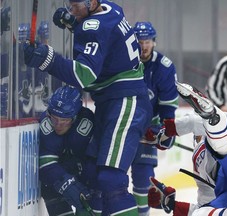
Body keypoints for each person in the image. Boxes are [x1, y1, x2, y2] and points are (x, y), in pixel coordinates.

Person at [23, 0, 152, 215]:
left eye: (76, 5)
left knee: (111, 180)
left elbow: (83, 75)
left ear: (92, 3)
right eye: (69, 3)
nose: (71, 8)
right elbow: (105, 38)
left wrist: (47, 59)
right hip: (112, 101)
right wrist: (73, 22)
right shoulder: (111, 8)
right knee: (95, 180)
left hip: (125, 101)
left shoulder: (93, 27)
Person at [147, 81, 227, 216]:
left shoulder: (217, 128)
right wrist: (172, 204)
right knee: (201, 213)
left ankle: (212, 116)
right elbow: (207, 207)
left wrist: (169, 129)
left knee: (225, 146)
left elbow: (192, 121)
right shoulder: (197, 162)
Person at [132, 21, 178, 215]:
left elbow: (168, 107)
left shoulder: (164, 67)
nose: (144, 45)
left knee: (144, 179)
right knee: (109, 179)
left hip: (148, 129)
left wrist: (167, 131)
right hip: (119, 126)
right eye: (139, 41)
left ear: (154, 42)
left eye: (148, 41)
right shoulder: (121, 62)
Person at [39, 85, 96, 216]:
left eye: (64, 120)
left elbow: (95, 161)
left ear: (75, 117)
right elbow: (47, 165)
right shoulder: (46, 124)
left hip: (84, 170)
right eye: (54, 118)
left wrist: (88, 183)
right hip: (64, 170)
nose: (58, 125)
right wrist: (66, 183)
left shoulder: (87, 123)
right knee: (48, 187)